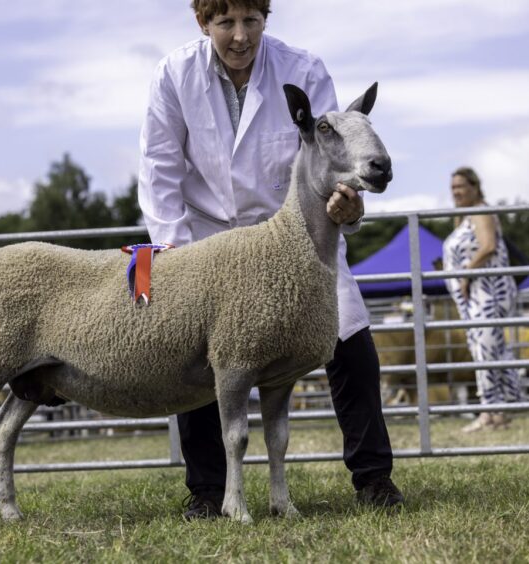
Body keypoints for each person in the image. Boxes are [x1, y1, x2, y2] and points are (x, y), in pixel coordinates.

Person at [138, 0, 403, 518]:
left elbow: (335, 156)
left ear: (265, 19)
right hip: (207, 243)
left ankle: (374, 478)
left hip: (294, 236)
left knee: (349, 340)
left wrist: (345, 207)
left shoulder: (303, 70)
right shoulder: (174, 75)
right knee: (200, 354)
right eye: (225, 23)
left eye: (251, 21)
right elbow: (159, 170)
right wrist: (172, 259)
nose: (240, 36)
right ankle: (208, 492)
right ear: (202, 23)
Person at [442, 166, 521, 432]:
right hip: (477, 295)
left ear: (475, 187)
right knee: (486, 349)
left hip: (488, 291)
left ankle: (492, 412)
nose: (456, 192)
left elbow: (488, 246)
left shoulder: (480, 210)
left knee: (487, 349)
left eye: (461, 186)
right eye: (453, 187)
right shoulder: (466, 216)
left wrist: (465, 274)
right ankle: (498, 411)